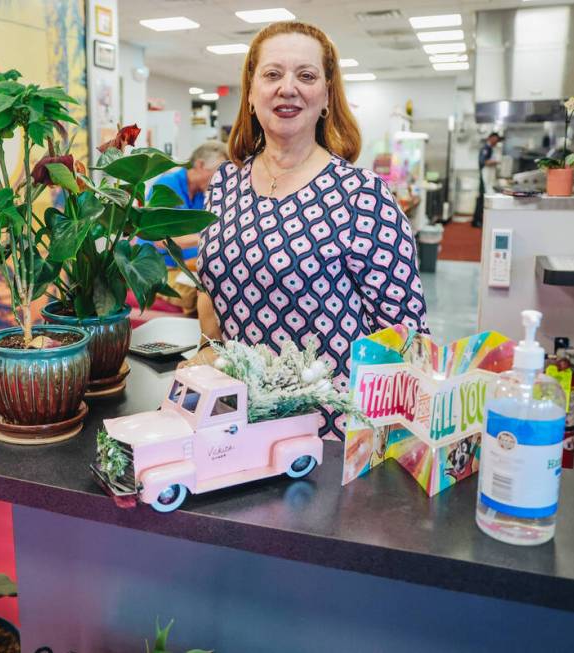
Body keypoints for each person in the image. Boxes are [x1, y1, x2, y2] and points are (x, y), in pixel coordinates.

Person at [183, 20, 429, 439]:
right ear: (252, 91)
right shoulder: (225, 183)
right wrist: (205, 352)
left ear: (327, 96)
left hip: (330, 431)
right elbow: (212, 290)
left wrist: (387, 441)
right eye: (273, 74)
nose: (288, 87)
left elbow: (407, 339)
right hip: (236, 420)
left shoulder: (362, 195)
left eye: (307, 75)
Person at [139, 140, 228, 314]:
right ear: (200, 164)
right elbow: (162, 240)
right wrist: (211, 236)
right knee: (205, 298)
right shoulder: (168, 184)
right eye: (217, 172)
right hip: (158, 270)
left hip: (187, 267)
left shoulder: (203, 194)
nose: (220, 179)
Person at [473, 132, 503, 228]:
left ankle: (479, 219)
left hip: (488, 177)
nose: (496, 141)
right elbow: (484, 161)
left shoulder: (491, 148)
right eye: (496, 139)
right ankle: (476, 220)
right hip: (484, 177)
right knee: (482, 198)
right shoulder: (486, 149)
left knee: (483, 198)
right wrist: (496, 161)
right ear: (491, 138)